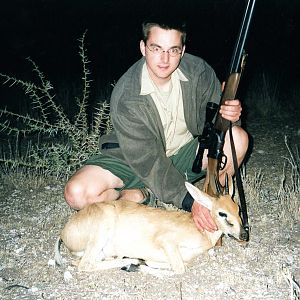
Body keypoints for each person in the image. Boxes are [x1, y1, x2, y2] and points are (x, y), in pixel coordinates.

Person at [64, 19, 249, 233]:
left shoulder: (199, 71)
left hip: (184, 156)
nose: (164, 59)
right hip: (135, 160)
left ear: (183, 50)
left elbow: (217, 125)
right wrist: (189, 201)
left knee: (239, 138)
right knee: (77, 193)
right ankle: (142, 194)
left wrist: (231, 115)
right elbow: (149, 162)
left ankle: (217, 203)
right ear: (143, 48)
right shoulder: (127, 95)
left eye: (173, 50)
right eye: (156, 48)